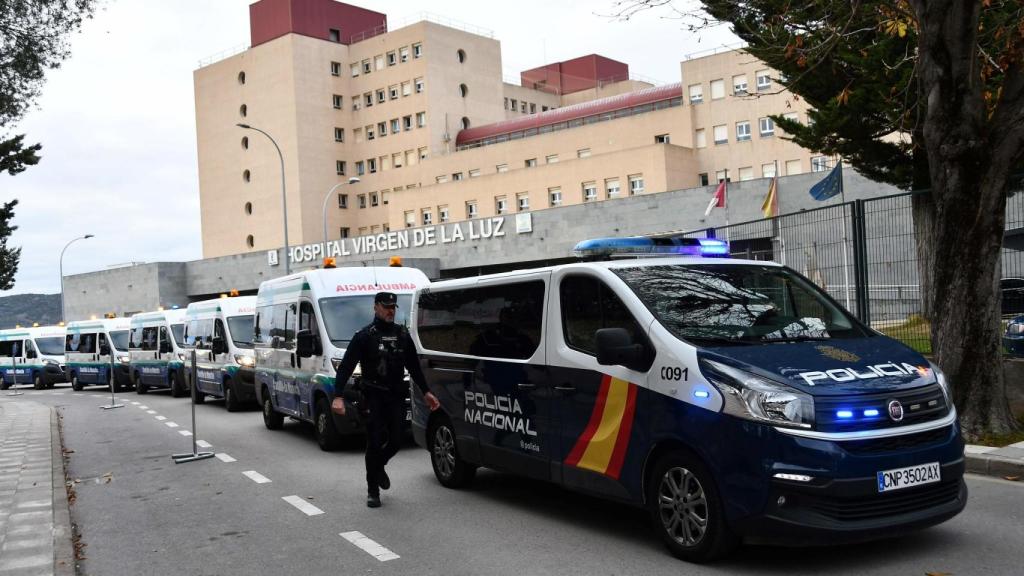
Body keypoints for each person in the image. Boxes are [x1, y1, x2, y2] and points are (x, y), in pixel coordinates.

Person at [331, 291, 440, 508]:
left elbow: (413, 366)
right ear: (376, 307)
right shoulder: (364, 336)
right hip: (373, 396)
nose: (390, 310)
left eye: (393, 307)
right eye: (386, 306)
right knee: (374, 441)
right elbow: (346, 367)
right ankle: (373, 490)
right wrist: (338, 396)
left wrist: (426, 391)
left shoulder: (401, 334)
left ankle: (378, 465)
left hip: (395, 395)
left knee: (398, 438)